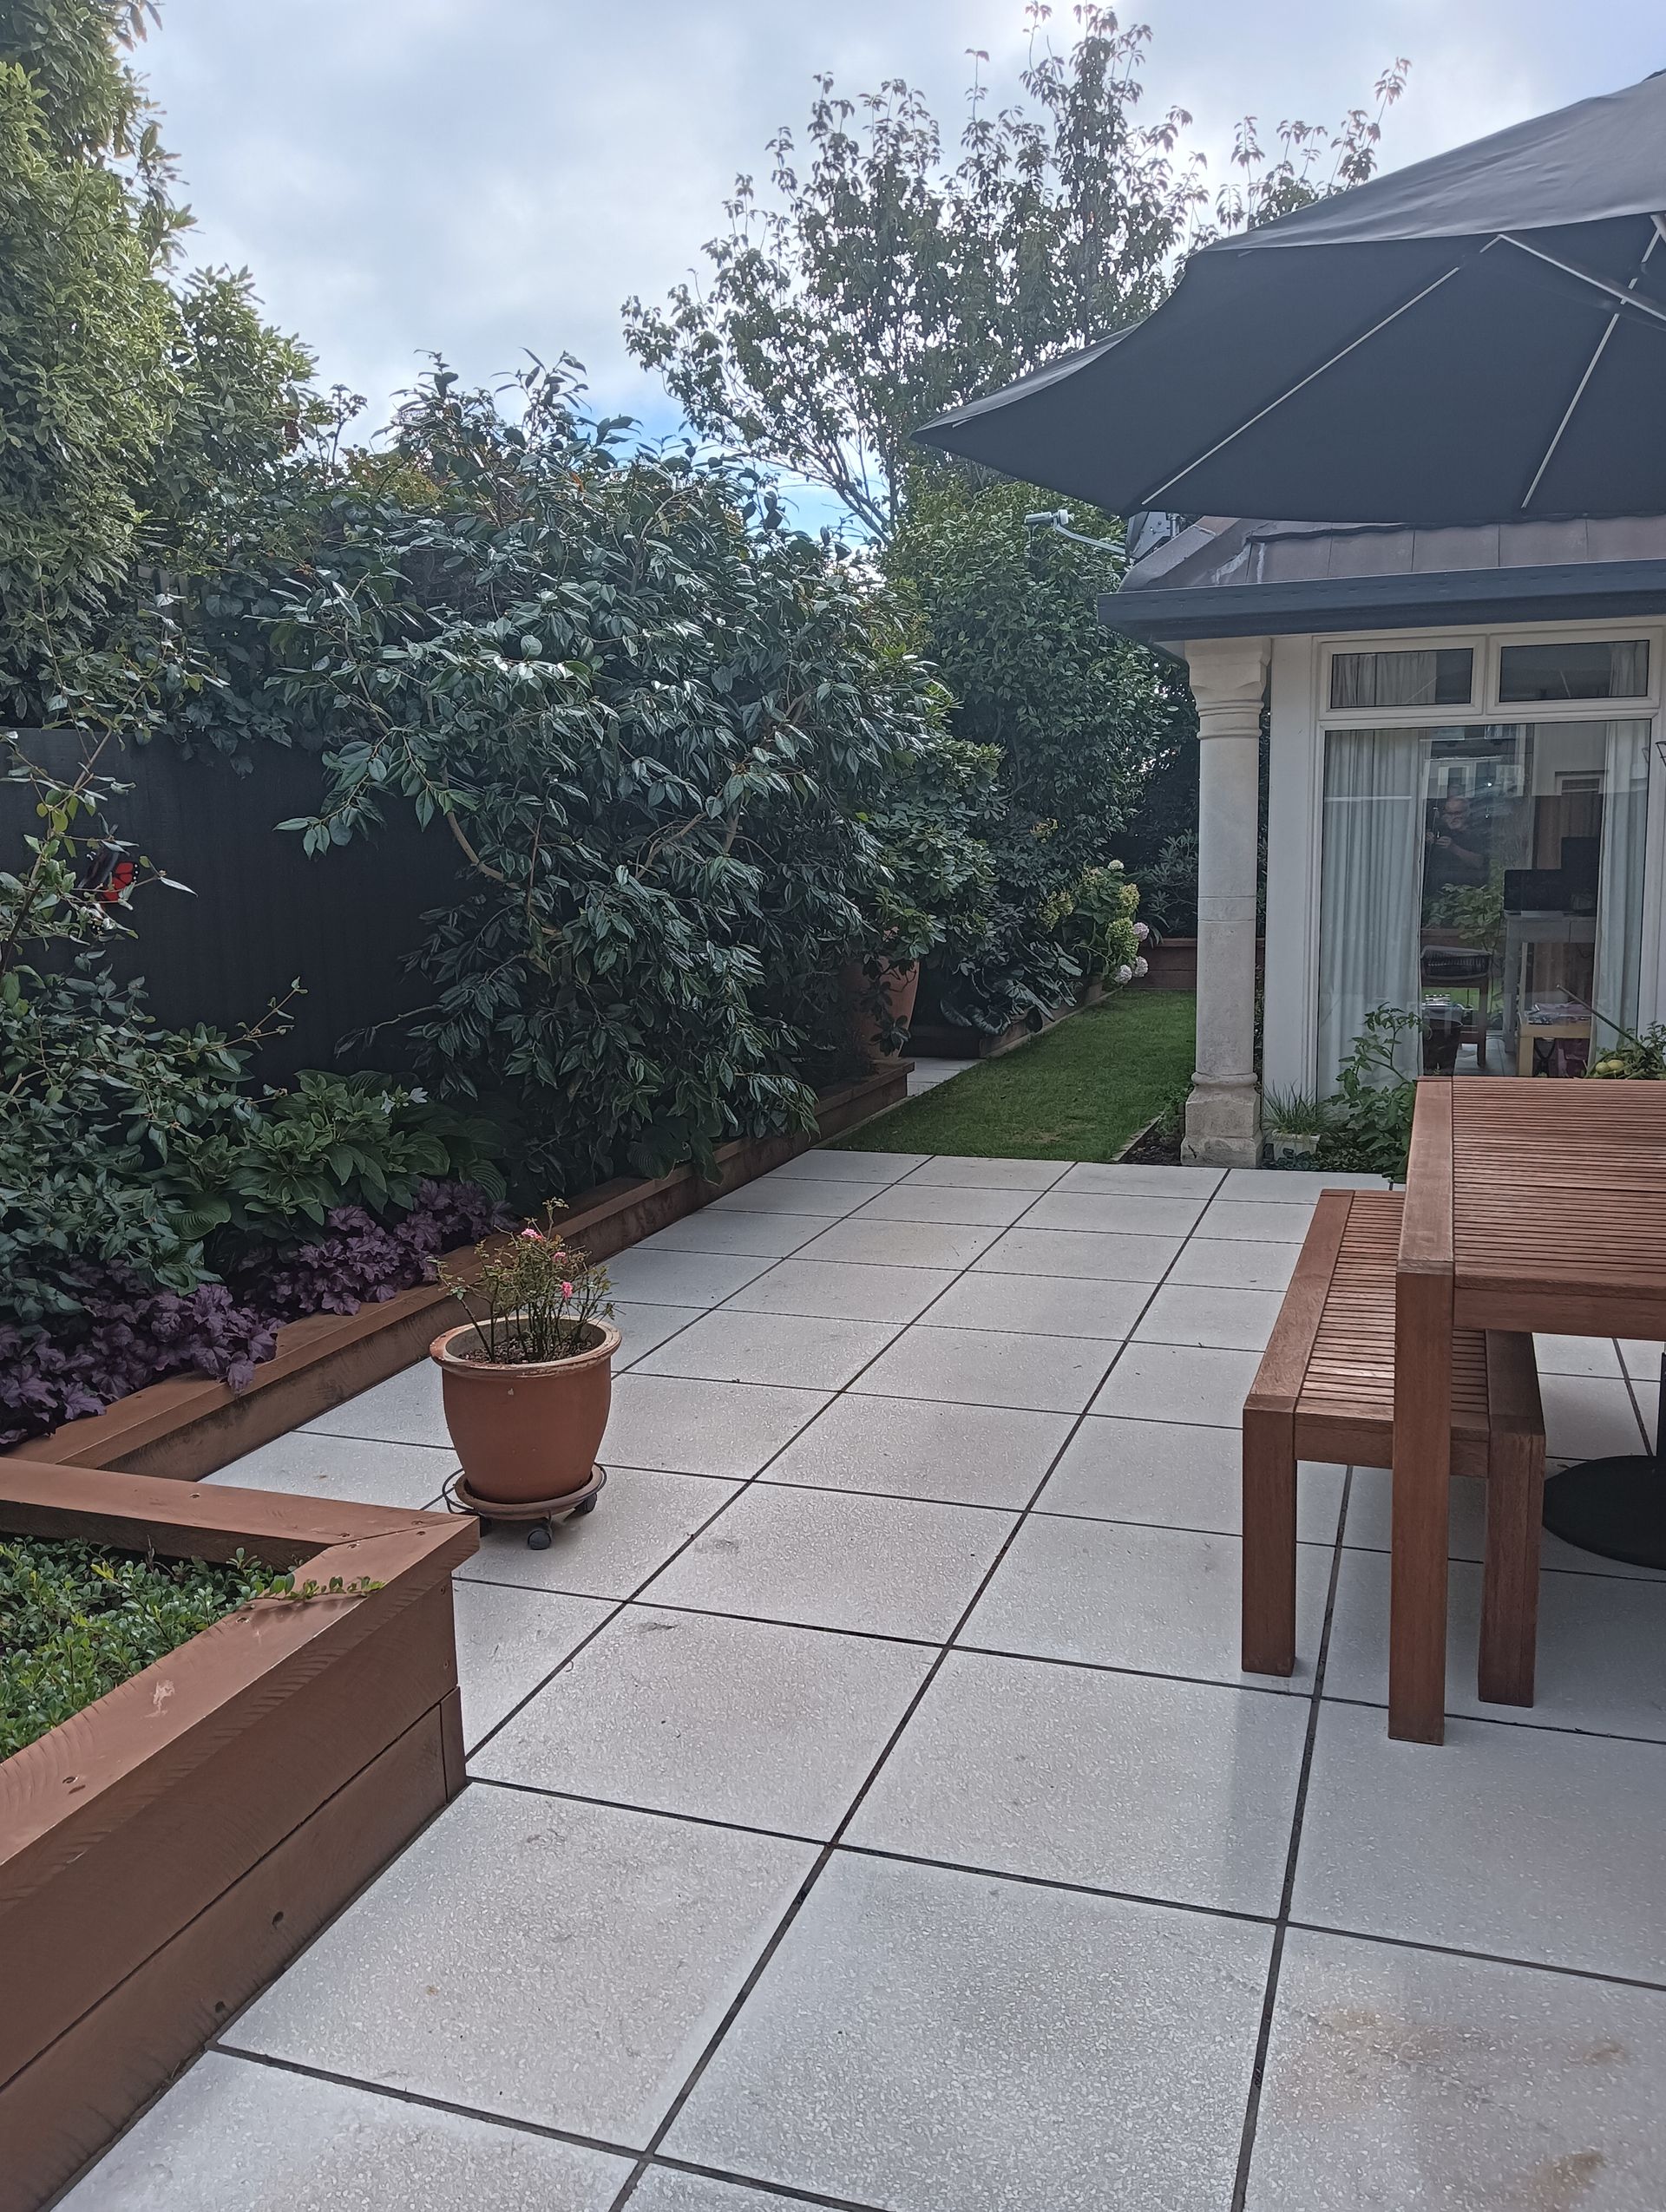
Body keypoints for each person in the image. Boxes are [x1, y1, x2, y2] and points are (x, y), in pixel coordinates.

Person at [1424, 789, 1488, 894]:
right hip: (1437, 892)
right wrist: (1427, 841)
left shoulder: (1478, 833)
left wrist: (1454, 848)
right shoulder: (1440, 830)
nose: (1453, 818)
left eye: (1457, 813)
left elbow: (1480, 862)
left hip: (1466, 893)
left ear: (1467, 813)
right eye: (1449, 813)